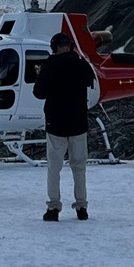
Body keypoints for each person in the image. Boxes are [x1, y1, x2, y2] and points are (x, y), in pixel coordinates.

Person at [35, 31, 97, 220]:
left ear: (54, 47)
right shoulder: (82, 65)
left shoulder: (50, 66)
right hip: (78, 123)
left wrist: (40, 74)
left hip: (56, 124)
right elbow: (90, 81)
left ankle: (54, 207)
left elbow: (39, 93)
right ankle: (82, 207)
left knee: (54, 167)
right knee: (79, 167)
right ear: (70, 46)